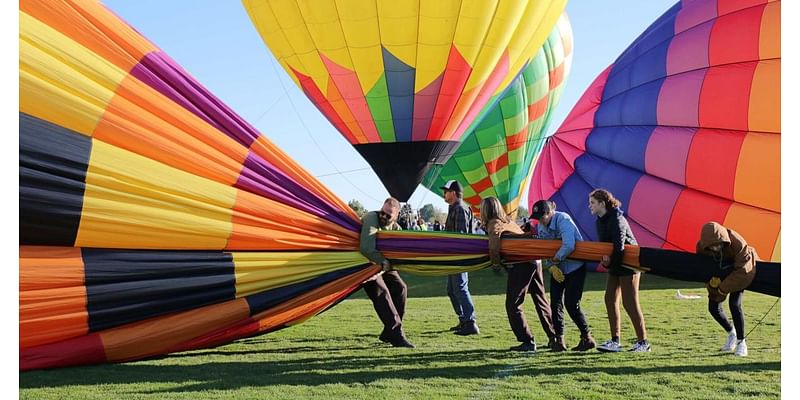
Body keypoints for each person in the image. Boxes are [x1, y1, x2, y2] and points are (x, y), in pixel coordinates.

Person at [483, 196, 557, 351]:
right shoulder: (508, 221)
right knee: (540, 300)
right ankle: (555, 337)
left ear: (487, 210)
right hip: (533, 260)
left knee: (513, 303)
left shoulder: (494, 222)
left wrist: (495, 264)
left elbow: (494, 244)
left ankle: (527, 340)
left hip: (521, 263)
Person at [588, 189, 650, 352]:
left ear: (603, 203)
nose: (590, 206)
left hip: (629, 264)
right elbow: (606, 247)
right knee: (609, 299)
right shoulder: (599, 221)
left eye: (593, 203)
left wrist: (609, 263)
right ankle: (615, 341)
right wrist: (607, 263)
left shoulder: (617, 218)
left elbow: (620, 248)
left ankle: (643, 342)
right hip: (616, 264)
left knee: (630, 303)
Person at [531, 199, 595, 352]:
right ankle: (559, 340)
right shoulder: (541, 226)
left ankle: (587, 337)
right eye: (537, 218)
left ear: (549, 212)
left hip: (575, 268)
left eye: (542, 217)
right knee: (555, 304)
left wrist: (555, 259)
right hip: (557, 268)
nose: (540, 221)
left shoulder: (563, 219)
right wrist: (551, 266)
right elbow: (544, 249)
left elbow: (569, 244)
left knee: (572, 304)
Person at [359, 197, 415, 348]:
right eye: (382, 212)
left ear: (396, 216)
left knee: (400, 288)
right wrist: (384, 262)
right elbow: (366, 248)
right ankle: (397, 335)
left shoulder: (396, 228)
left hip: (382, 264)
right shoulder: (372, 217)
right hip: (365, 264)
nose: (383, 216)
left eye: (388, 215)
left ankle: (388, 332)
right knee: (382, 292)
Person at [696, 221, 757, 357]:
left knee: (734, 304)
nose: (715, 248)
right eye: (712, 246)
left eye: (718, 244)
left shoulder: (738, 243)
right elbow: (703, 267)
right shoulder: (702, 247)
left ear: (723, 240)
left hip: (738, 274)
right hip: (720, 274)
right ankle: (732, 333)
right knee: (713, 308)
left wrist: (723, 289)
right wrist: (711, 285)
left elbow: (744, 270)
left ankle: (742, 342)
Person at [440, 180, 479, 335]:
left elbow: (460, 236)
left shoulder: (460, 209)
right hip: (453, 256)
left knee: (460, 289)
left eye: (446, 191)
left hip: (459, 256)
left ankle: (471, 322)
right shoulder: (455, 208)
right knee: (452, 290)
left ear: (453, 193)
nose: (444, 194)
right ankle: (464, 319)